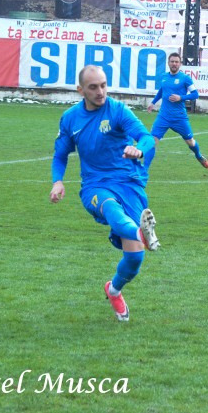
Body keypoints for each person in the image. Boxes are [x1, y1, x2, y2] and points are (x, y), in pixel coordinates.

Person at [50, 64, 160, 322]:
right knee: (110, 207)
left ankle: (113, 290)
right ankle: (142, 233)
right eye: (93, 87)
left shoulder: (118, 110)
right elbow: (60, 155)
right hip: (95, 185)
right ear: (80, 90)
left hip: (128, 182)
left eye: (103, 85)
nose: (100, 92)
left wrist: (139, 149)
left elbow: (146, 137)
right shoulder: (70, 118)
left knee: (135, 259)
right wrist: (57, 181)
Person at [147, 52, 208, 168]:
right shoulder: (164, 77)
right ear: (168, 63)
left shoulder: (185, 78)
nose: (174, 64)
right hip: (163, 116)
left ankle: (198, 155)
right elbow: (162, 90)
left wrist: (181, 97)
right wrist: (153, 102)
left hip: (179, 117)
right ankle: (144, 169)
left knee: (190, 141)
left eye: (176, 62)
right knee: (152, 141)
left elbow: (195, 94)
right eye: (172, 61)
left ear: (180, 64)